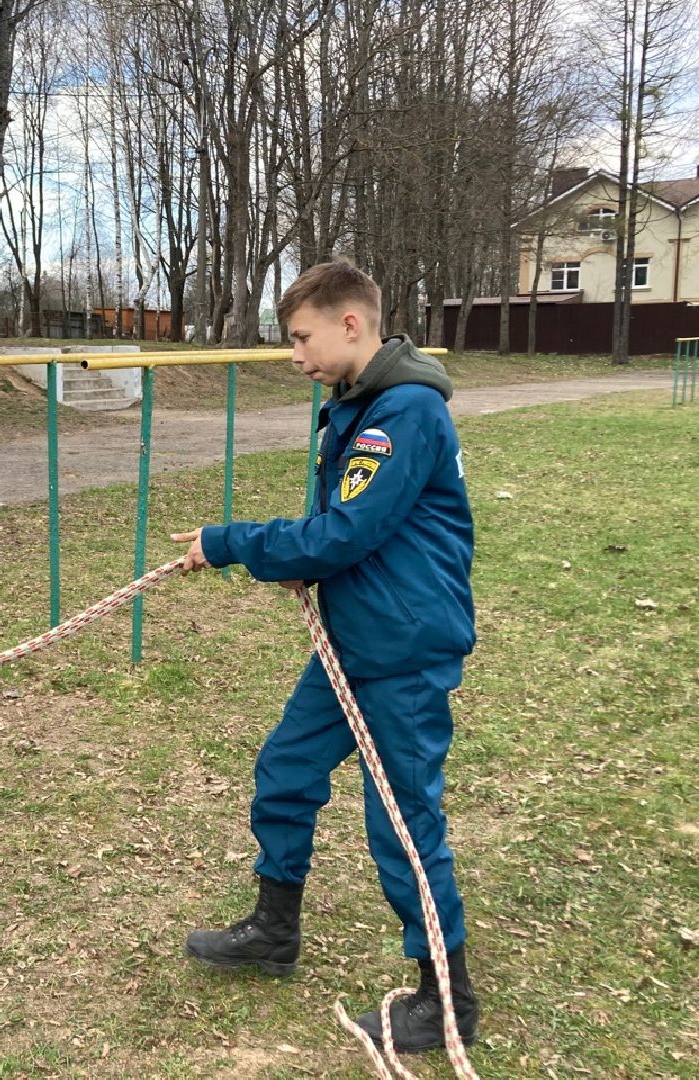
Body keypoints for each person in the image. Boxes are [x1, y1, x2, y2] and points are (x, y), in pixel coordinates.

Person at [171, 260, 479, 1055]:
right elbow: (341, 531)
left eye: (302, 336)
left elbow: (344, 532)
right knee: (286, 770)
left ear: (351, 324)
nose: (295, 354)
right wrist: (298, 561)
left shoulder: (403, 412)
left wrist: (232, 542)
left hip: (401, 649)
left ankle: (447, 996)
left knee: (403, 822)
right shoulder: (359, 406)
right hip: (354, 638)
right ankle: (274, 928)